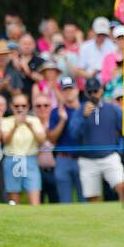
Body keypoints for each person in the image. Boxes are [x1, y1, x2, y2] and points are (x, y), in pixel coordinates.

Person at [77, 77, 124, 204]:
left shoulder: (112, 109)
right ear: (85, 92)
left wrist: (119, 150)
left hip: (110, 156)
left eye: (95, 91)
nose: (93, 94)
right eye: (90, 92)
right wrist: (83, 117)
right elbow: (74, 134)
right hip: (87, 159)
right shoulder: (80, 110)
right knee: (93, 198)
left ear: (101, 90)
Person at [1, 92, 46, 206]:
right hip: (12, 159)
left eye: (23, 106)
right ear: (12, 107)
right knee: (14, 200)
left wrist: (30, 126)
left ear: (28, 106)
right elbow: (5, 140)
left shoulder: (34, 120)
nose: (20, 109)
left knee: (35, 199)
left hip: (30, 159)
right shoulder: (6, 121)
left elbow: (41, 141)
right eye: (17, 106)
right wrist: (15, 125)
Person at [46, 75, 85, 203]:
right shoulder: (56, 111)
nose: (68, 92)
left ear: (77, 90)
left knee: (85, 200)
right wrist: (62, 120)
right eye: (65, 90)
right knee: (65, 201)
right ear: (61, 93)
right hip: (63, 158)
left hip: (84, 159)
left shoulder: (86, 109)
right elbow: (51, 138)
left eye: (70, 89)